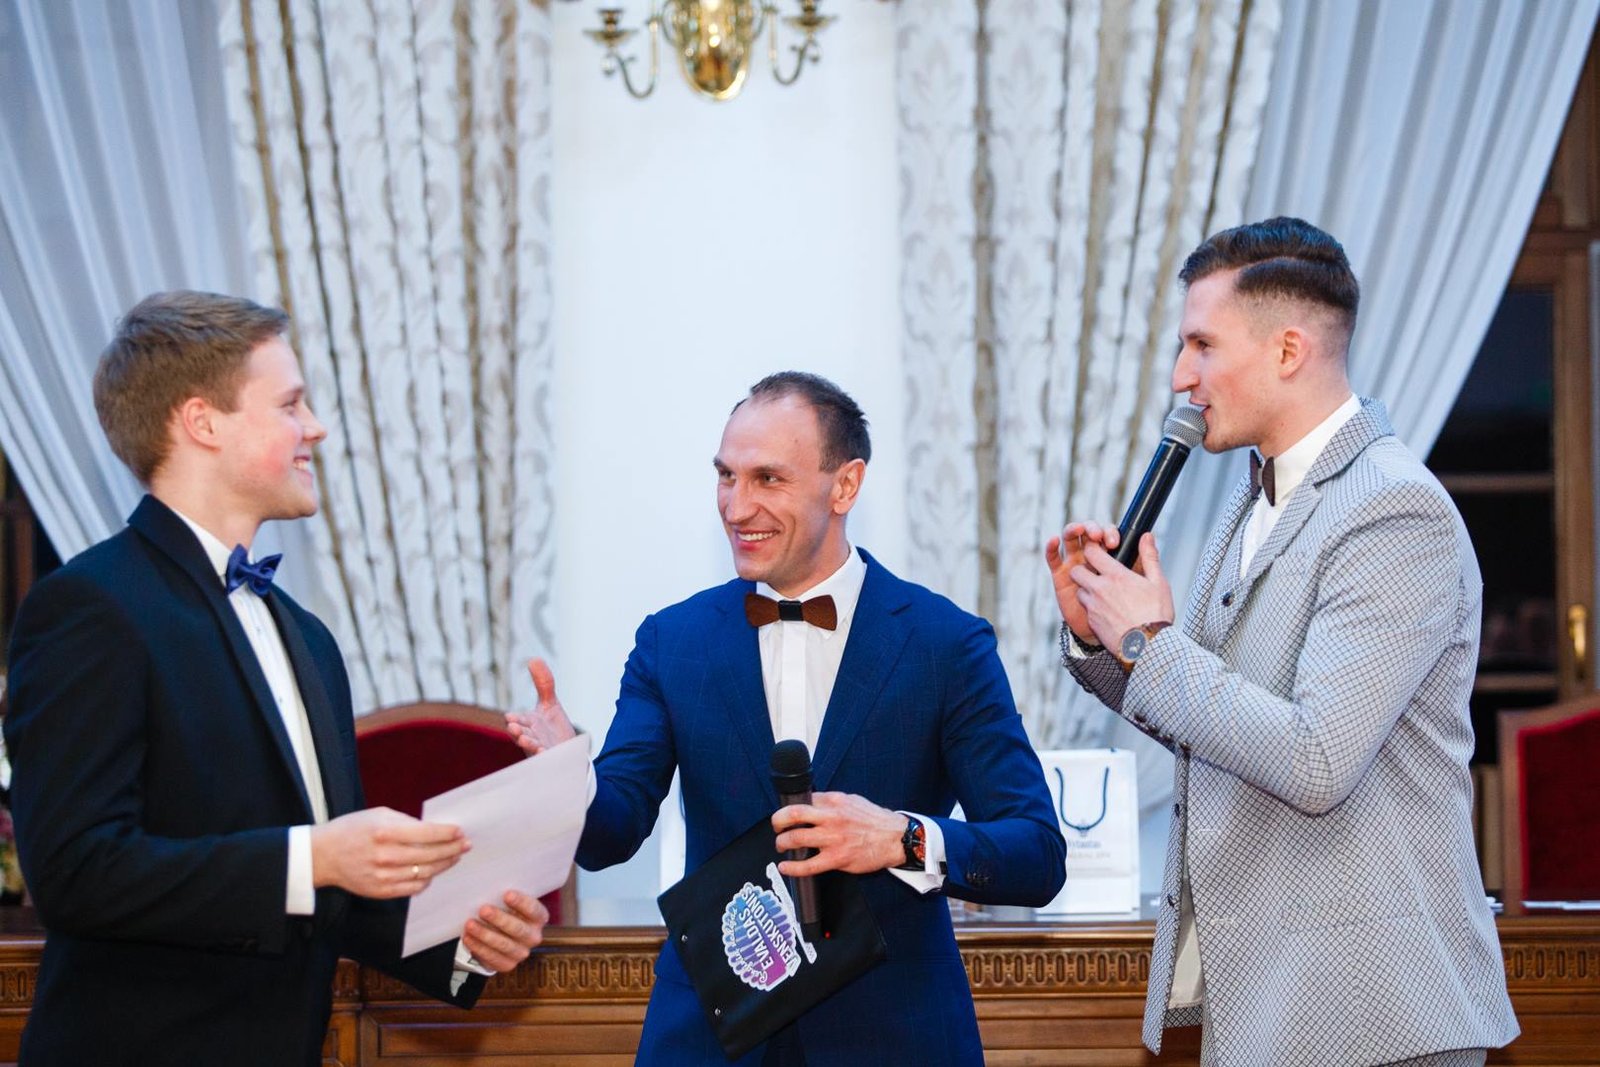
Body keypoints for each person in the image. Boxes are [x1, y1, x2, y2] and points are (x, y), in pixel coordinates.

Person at [3, 291, 547, 1066]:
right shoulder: (89, 606)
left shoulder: (308, 638)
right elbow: (76, 871)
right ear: (203, 422)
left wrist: (468, 942)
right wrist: (315, 856)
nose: (315, 426)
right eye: (291, 404)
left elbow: (337, 899)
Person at [1047, 217, 1518, 1066]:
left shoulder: (1393, 509)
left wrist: (1151, 642)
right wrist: (1106, 642)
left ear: (1289, 349)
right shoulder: (1254, 498)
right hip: (1268, 998)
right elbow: (1220, 724)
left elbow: (1314, 759)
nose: (1181, 375)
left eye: (1201, 344)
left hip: (1374, 1015)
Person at [510, 372, 1065, 1066]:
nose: (737, 506)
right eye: (725, 476)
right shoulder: (671, 642)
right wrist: (568, 776)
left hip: (894, 1036)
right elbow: (610, 833)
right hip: (711, 1038)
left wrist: (902, 838)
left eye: (767, 478)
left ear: (845, 485)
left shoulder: (945, 644)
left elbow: (1035, 852)